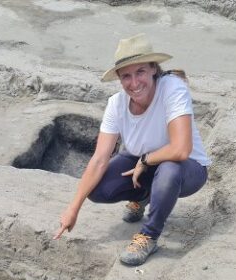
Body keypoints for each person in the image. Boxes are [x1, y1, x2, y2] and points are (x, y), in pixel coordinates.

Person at [53, 33, 211, 266]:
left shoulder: (172, 89)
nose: (134, 83)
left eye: (140, 72)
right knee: (97, 190)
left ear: (153, 69)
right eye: (126, 76)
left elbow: (181, 149)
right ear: (119, 78)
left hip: (187, 169)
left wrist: (146, 160)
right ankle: (145, 196)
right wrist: (73, 209)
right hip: (142, 162)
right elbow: (99, 159)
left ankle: (149, 235)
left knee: (168, 168)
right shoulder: (116, 104)